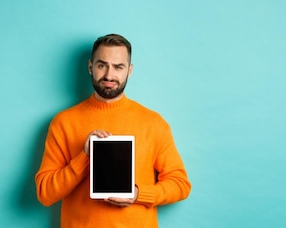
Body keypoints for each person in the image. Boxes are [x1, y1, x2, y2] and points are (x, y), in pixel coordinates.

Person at [35, 33, 191, 227]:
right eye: (102, 65)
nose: (109, 75)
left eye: (118, 67)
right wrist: (85, 157)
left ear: (130, 70)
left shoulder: (153, 123)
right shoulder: (63, 122)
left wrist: (138, 194)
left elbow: (180, 184)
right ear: (90, 67)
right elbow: (45, 194)